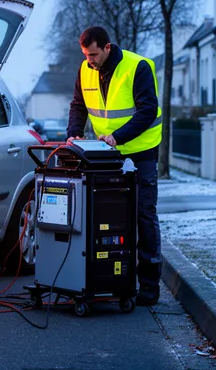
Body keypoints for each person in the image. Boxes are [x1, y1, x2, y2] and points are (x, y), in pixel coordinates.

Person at [66, 26, 163, 306]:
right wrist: (73, 132)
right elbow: (78, 105)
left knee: (143, 214)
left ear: (108, 48)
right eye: (85, 55)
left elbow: (148, 110)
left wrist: (117, 137)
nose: (89, 60)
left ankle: (148, 287)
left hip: (140, 151)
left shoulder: (138, 67)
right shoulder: (85, 69)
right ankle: (107, 279)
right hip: (106, 154)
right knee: (106, 217)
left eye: (93, 54)